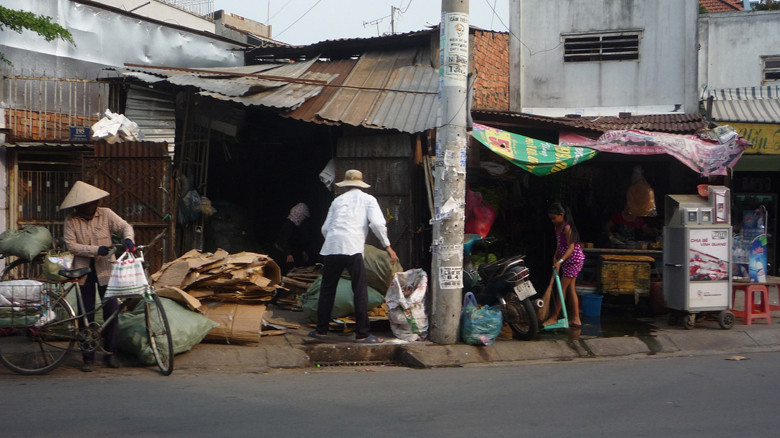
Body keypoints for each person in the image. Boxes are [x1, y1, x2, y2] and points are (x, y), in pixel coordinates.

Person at [310, 169, 398, 343]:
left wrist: (335, 240)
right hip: (353, 248)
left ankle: (321, 331)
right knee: (359, 291)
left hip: (332, 248)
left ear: (345, 184)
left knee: (327, 290)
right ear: (361, 184)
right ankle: (362, 333)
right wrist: (387, 246)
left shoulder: (337, 201)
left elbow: (325, 228)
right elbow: (378, 224)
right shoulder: (368, 200)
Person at [61, 181, 136, 372]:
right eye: (84, 204)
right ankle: (88, 357)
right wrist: (96, 250)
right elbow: (71, 245)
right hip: (83, 271)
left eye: (91, 203)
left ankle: (110, 354)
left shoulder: (106, 214)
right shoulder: (71, 221)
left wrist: (128, 239)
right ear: (77, 206)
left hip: (106, 271)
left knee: (111, 311)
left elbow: (125, 226)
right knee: (86, 313)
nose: (88, 206)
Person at [543, 202, 585, 328]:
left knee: (561, 289)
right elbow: (560, 245)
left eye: (554, 218)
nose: (552, 221)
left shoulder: (567, 228)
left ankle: (554, 317)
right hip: (566, 260)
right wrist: (555, 256)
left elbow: (571, 247)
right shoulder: (557, 227)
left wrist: (560, 261)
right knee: (571, 289)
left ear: (561, 215)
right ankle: (576, 319)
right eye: (551, 218)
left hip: (574, 260)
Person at [272, 202, 312, 275]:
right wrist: (288, 254)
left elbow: (298, 240)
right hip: (282, 255)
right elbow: (284, 240)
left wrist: (303, 251)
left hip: (290, 254)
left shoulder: (296, 226)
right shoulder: (289, 225)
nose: (303, 219)